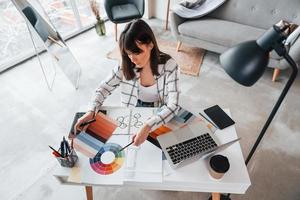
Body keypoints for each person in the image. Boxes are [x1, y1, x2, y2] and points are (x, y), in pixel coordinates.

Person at [74, 19, 180, 146]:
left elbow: (173, 105)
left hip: (159, 111)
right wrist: (91, 111)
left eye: (137, 52)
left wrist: (148, 126)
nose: (132, 59)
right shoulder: (125, 65)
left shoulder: (170, 65)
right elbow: (103, 88)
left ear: (150, 45)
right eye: (128, 53)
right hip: (131, 112)